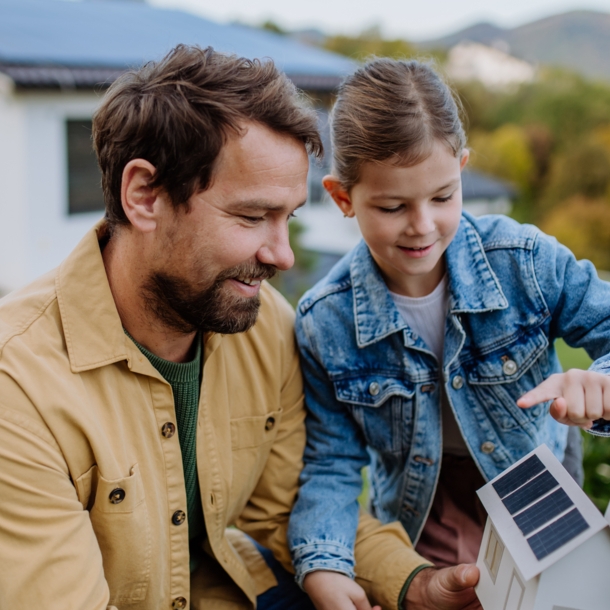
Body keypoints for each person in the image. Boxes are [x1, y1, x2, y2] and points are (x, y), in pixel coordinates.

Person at [0, 45, 482, 610]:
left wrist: (413, 583)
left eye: (288, 218)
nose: (281, 255)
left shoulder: (266, 326)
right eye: (253, 217)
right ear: (144, 196)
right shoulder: (20, 385)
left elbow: (287, 507)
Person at [288, 57, 610, 610]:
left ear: (461, 168)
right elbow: (331, 461)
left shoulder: (524, 261)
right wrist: (324, 561)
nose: (422, 224)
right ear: (342, 198)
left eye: (443, 196)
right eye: (392, 207)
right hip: (423, 514)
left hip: (539, 496)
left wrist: (601, 381)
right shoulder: (325, 321)